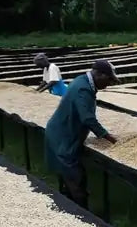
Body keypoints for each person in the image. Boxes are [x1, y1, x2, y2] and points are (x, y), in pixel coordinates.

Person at [44, 60, 120, 209]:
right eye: (109, 79)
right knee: (75, 178)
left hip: (62, 132)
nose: (109, 84)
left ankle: (68, 207)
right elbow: (87, 118)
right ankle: (82, 216)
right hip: (63, 136)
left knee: (70, 176)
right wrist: (109, 138)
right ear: (99, 74)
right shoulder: (83, 89)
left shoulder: (82, 80)